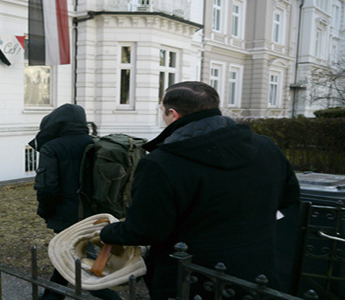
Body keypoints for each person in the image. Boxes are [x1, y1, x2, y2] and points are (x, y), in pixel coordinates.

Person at [99, 81, 301, 299]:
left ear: (173, 114)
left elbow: (147, 229)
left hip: (190, 278)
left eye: (162, 111)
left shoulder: (162, 163)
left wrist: (106, 232)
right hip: (257, 272)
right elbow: (290, 199)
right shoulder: (266, 147)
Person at [29, 103, 120, 300]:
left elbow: (47, 188)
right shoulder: (96, 142)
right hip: (96, 213)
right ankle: (51, 297)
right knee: (70, 256)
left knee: (78, 263)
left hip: (68, 215)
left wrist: (46, 211)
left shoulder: (52, 147)